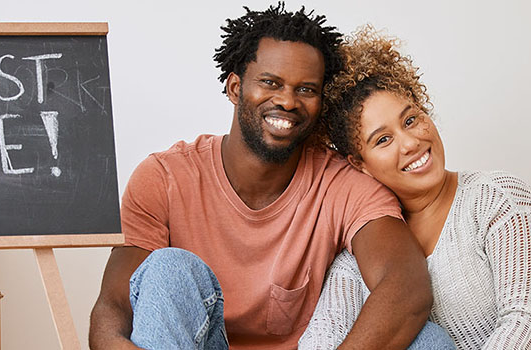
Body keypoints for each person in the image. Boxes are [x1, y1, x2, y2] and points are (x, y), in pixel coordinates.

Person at [90, 4, 448, 349]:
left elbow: (407, 286)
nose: (288, 101)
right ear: (235, 88)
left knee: (428, 341)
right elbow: (115, 308)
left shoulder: (342, 184)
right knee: (170, 269)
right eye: (270, 82)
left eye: (306, 89)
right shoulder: (164, 177)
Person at [299, 26, 531, 349]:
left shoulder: (495, 198)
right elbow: (320, 336)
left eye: (410, 120)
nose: (410, 143)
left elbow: (524, 320)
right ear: (358, 164)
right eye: (383, 140)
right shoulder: (368, 245)